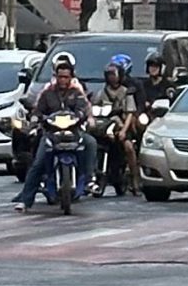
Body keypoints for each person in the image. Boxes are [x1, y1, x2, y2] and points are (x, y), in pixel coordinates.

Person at [15, 52, 94, 211]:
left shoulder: (77, 92)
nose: (62, 80)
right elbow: (37, 110)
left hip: (74, 133)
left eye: (66, 77)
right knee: (38, 164)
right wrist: (36, 118)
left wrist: (84, 117)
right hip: (51, 134)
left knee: (91, 143)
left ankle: (90, 180)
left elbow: (84, 108)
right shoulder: (47, 92)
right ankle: (25, 200)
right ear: (55, 76)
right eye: (60, 77)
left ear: (71, 77)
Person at [96, 57, 143, 196]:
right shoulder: (102, 92)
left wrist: (123, 130)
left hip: (121, 125)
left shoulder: (126, 92)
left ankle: (135, 180)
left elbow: (130, 113)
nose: (112, 78)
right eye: (109, 74)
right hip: (106, 124)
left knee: (128, 147)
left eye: (114, 74)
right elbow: (95, 107)